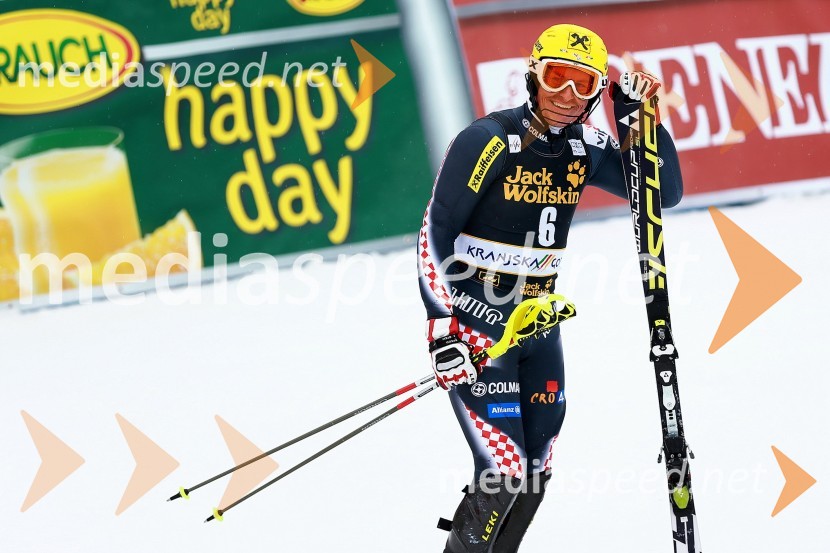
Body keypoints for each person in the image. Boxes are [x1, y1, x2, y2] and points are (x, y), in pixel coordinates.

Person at [417, 23, 683, 552]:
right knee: (504, 468)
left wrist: (638, 121)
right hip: (479, 326)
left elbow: (663, 192)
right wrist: (445, 327)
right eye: (556, 78)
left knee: (536, 468)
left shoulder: (587, 146)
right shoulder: (488, 139)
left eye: (583, 84)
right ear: (532, 78)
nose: (566, 96)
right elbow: (434, 233)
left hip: (539, 326)